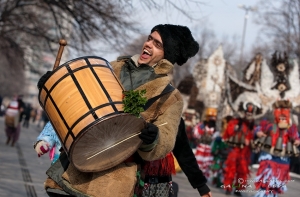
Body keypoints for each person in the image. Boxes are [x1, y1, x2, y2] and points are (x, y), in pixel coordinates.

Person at [34, 24, 211, 197]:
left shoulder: (170, 97)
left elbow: (170, 139)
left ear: (167, 56)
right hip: (75, 166)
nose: (148, 44)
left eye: (157, 44)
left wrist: (153, 139)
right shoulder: (111, 68)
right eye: (150, 38)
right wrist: (54, 85)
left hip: (111, 181)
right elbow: (77, 99)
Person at [253, 100, 300, 197]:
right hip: (269, 158)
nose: (282, 118)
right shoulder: (270, 125)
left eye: (285, 116)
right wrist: (258, 133)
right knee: (266, 184)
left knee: (275, 187)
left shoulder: (291, 128)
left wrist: (297, 141)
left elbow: (297, 138)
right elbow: (258, 129)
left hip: (283, 161)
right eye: (280, 116)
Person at [222, 102, 258, 196]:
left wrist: (251, 141)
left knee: (242, 171)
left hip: (245, 152)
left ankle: (238, 189)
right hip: (235, 149)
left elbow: (253, 137)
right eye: (247, 113)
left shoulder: (252, 126)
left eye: (250, 114)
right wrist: (235, 128)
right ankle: (228, 188)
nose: (248, 115)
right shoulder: (235, 122)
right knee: (231, 169)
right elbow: (228, 132)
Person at [193, 107, 218, 179]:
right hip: (201, 146)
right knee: (198, 162)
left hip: (209, 148)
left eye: (214, 117)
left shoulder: (215, 128)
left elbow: (216, 137)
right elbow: (196, 134)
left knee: (207, 164)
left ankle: (204, 177)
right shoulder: (202, 125)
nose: (212, 119)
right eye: (211, 117)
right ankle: (196, 176)